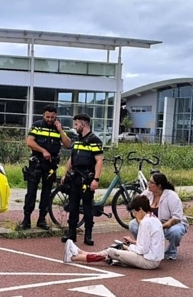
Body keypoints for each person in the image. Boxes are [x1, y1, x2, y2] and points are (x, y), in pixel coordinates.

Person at [64, 195, 164, 269]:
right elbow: (148, 243)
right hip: (153, 259)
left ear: (140, 209)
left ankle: (74, 257)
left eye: (135, 211)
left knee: (111, 252)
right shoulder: (153, 218)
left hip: (149, 261)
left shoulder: (145, 223)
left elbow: (142, 250)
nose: (134, 214)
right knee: (114, 250)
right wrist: (132, 243)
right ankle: (81, 253)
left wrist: (128, 247)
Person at [20, 105, 71, 230]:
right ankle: (26, 220)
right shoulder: (37, 125)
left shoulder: (58, 128)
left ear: (56, 116)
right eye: (47, 117)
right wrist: (43, 150)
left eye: (52, 117)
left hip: (50, 165)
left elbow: (68, 144)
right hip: (36, 163)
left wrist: (60, 130)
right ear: (43, 115)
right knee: (31, 193)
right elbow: (29, 142)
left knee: (47, 193)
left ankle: (42, 219)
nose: (50, 119)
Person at [60, 113, 104, 246]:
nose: (75, 127)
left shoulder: (95, 140)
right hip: (75, 178)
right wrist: (65, 174)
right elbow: (71, 159)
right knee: (72, 206)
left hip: (87, 178)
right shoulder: (77, 139)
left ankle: (88, 235)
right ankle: (71, 233)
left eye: (76, 124)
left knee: (87, 207)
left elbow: (99, 161)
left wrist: (96, 179)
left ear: (83, 124)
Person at [127, 172, 187, 260]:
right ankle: (141, 246)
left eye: (151, 182)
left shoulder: (171, 196)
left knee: (176, 231)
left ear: (159, 186)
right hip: (152, 224)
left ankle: (171, 252)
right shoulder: (147, 193)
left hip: (169, 224)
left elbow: (176, 218)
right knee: (133, 225)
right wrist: (141, 221)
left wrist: (159, 227)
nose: (148, 184)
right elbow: (136, 207)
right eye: (148, 181)